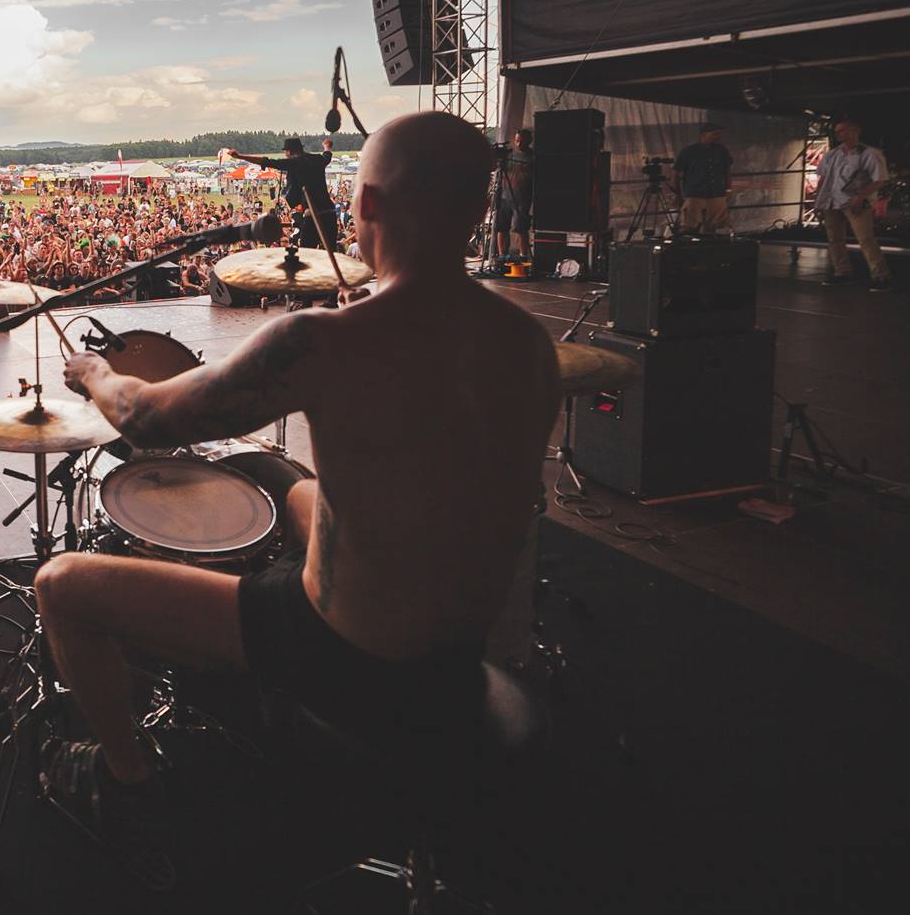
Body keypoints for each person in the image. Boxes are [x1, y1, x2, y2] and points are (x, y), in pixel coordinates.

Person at [38, 112, 560, 868]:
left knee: (62, 585)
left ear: (367, 204)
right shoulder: (528, 342)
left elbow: (144, 418)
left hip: (349, 652)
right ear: (481, 208)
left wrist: (94, 372)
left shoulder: (324, 340)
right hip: (457, 646)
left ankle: (127, 779)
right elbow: (427, 462)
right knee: (293, 491)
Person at [815, 120, 893, 290]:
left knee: (865, 239)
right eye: (837, 131)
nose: (839, 134)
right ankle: (842, 272)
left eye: (843, 130)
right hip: (832, 201)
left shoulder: (870, 154)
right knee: (835, 239)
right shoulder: (833, 154)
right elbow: (823, 178)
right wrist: (819, 200)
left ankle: (881, 276)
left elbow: (880, 179)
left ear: (855, 131)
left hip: (854, 201)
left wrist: (860, 197)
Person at [240, 138, 335, 248]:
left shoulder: (294, 162)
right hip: (329, 213)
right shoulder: (317, 159)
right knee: (331, 251)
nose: (285, 154)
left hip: (313, 215)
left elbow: (267, 162)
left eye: (285, 151)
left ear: (289, 151)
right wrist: (327, 146)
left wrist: (240, 156)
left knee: (307, 251)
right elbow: (327, 156)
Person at [673, 122, 734, 234]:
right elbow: (675, 173)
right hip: (695, 194)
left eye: (718, 134)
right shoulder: (689, 151)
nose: (717, 137)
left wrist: (728, 189)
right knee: (689, 225)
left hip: (716, 193)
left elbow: (727, 170)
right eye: (714, 134)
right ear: (703, 134)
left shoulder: (721, 150)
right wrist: (678, 194)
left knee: (716, 226)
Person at [496, 129, 534, 259]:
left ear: (529, 141)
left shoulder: (533, 157)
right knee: (501, 227)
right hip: (505, 197)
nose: (519, 144)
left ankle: (523, 257)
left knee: (520, 229)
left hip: (522, 198)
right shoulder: (509, 155)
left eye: (522, 141)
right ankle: (502, 256)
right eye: (517, 141)